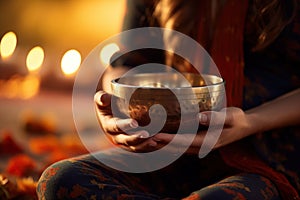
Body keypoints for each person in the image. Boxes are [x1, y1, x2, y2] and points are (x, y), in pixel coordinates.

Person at [37, 0, 300, 199]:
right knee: (60, 180)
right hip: (172, 150)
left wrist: (252, 121)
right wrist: (117, 103)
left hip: (269, 157)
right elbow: (125, 65)